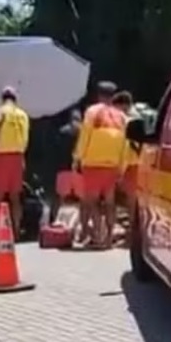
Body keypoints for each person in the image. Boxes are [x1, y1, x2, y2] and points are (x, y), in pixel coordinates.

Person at [73, 81, 127, 249]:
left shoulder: (92, 112)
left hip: (93, 162)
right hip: (112, 164)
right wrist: (121, 166)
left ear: (98, 95)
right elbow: (125, 143)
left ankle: (97, 235)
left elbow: (85, 136)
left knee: (92, 202)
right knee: (110, 203)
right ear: (113, 96)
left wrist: (78, 158)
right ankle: (109, 237)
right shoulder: (121, 117)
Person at [0, 86, 30, 236]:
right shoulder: (23, 115)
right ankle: (16, 230)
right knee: (15, 197)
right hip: (18, 156)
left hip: (1, 156)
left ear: (3, 98)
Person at [48, 107, 82, 224]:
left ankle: (55, 221)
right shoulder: (83, 132)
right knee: (81, 201)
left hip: (63, 169)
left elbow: (55, 151)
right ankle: (78, 225)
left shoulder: (63, 131)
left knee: (60, 198)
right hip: (79, 171)